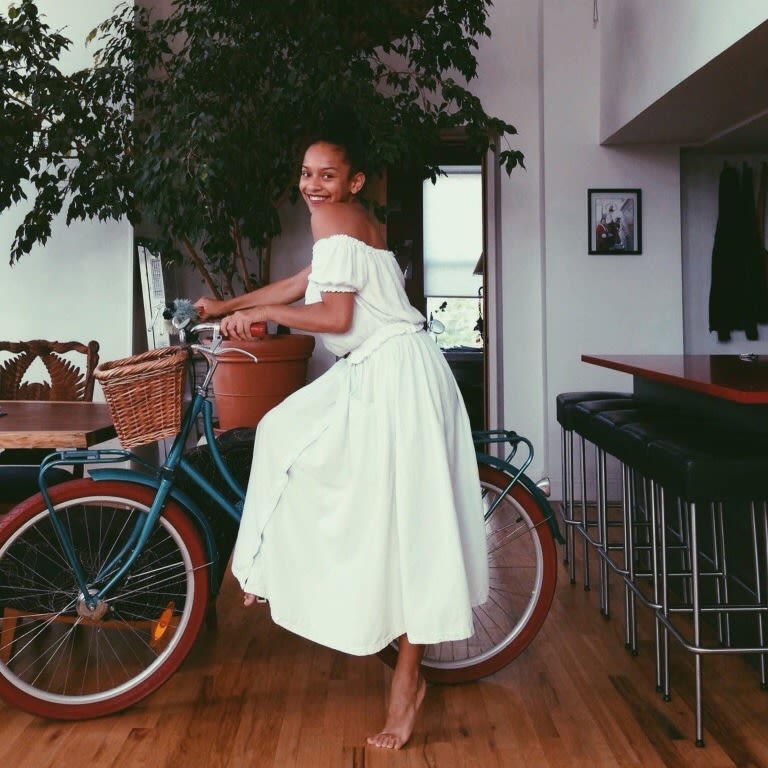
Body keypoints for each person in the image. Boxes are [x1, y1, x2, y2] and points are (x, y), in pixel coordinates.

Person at [194, 116, 488, 751]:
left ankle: (407, 681)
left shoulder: (335, 218)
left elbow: (334, 314)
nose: (313, 186)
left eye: (327, 175)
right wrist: (229, 305)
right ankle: (266, 564)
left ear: (353, 181)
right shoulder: (349, 223)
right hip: (383, 367)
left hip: (396, 375)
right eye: (306, 174)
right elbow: (306, 281)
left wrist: (263, 314)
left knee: (407, 523)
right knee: (284, 435)